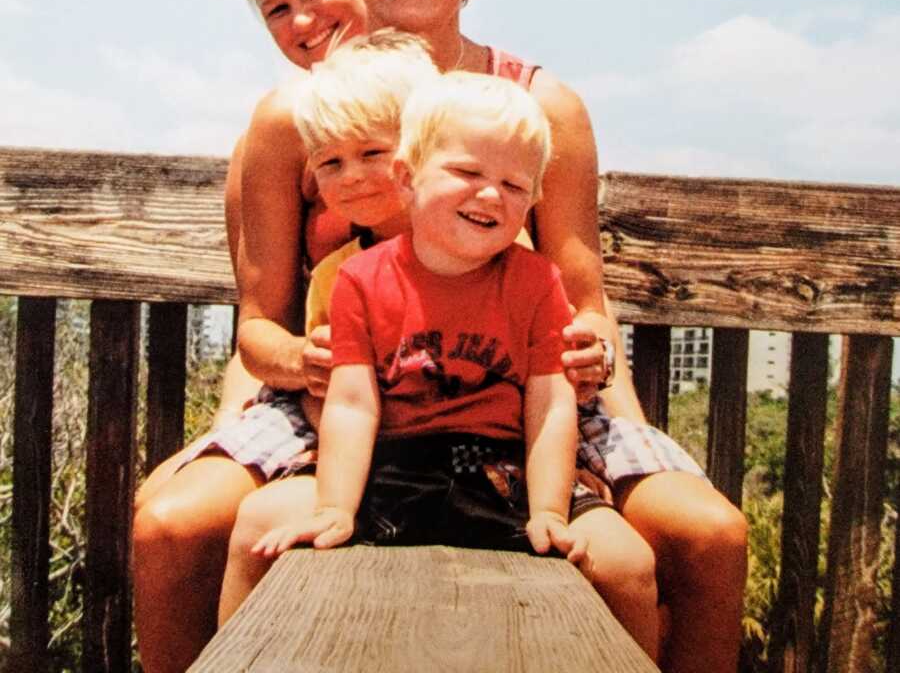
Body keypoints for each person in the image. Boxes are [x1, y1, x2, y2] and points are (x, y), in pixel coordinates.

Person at [239, 0, 745, 673]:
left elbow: (582, 297)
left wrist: (596, 367)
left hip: (524, 385)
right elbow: (261, 319)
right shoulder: (310, 112)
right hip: (352, 388)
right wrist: (306, 360)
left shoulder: (534, 106)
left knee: (708, 534)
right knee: (180, 523)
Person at [219, 69, 659, 660]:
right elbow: (350, 406)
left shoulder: (537, 284)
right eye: (468, 173)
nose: (489, 195)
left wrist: (550, 511)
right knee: (257, 526)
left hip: (509, 474)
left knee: (629, 566)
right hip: (389, 469)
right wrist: (333, 508)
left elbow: (551, 404)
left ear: (534, 201)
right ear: (407, 176)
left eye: (514, 184)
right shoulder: (359, 281)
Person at [133, 0, 367, 673]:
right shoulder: (278, 128)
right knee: (167, 522)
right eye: (277, 9)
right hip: (311, 389)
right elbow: (260, 320)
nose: (303, 19)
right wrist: (228, 427)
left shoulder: (455, 98)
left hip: (457, 392)